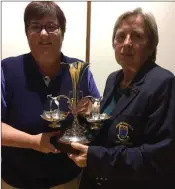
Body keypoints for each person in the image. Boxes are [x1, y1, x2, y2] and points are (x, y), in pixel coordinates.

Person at [68, 7, 175, 188]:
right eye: (120, 36)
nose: (126, 43)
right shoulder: (113, 79)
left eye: (137, 36)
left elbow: (159, 156)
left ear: (151, 45)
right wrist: (86, 116)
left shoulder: (164, 83)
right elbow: (109, 129)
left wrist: (95, 158)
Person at [1, 1, 100, 189]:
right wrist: (34, 142)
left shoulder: (81, 70)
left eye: (51, 26)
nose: (44, 34)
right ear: (27, 33)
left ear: (62, 32)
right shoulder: (6, 69)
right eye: (35, 27)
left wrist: (89, 112)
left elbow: (96, 114)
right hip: (16, 182)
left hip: (68, 180)